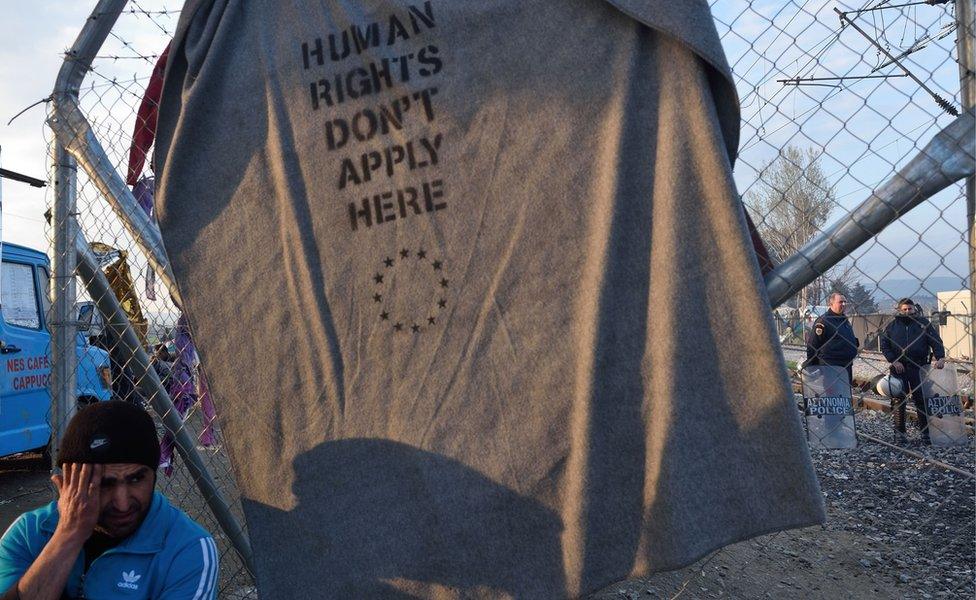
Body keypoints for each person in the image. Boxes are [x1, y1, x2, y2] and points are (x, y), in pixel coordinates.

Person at [0, 401, 218, 599]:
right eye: (105, 483)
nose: (122, 504)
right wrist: (68, 535)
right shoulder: (28, 534)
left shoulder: (187, 548)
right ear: (68, 483)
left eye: (136, 479)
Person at [880, 298, 946, 445]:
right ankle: (900, 434)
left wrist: (940, 357)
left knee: (921, 400)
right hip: (899, 367)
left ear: (914, 309)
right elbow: (884, 345)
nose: (907, 312)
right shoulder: (892, 326)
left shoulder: (924, 324)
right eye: (904, 309)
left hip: (919, 367)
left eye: (910, 309)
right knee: (898, 399)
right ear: (899, 310)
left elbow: (936, 341)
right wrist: (894, 360)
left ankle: (926, 434)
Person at [806, 292, 860, 385]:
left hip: (846, 365)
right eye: (840, 302)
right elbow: (813, 344)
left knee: (844, 395)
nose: (843, 304)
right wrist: (812, 366)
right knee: (833, 394)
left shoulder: (844, 320)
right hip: (831, 367)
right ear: (831, 304)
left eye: (845, 302)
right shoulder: (824, 321)